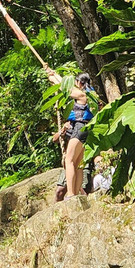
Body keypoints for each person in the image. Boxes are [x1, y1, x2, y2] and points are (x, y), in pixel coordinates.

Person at [48, 70, 95, 199]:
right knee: (78, 163)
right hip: (86, 128)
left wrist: (53, 79)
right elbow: (66, 85)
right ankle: (75, 194)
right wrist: (54, 73)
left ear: (79, 83)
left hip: (80, 127)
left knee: (69, 160)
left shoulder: (81, 94)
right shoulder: (90, 93)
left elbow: (66, 88)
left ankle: (71, 193)